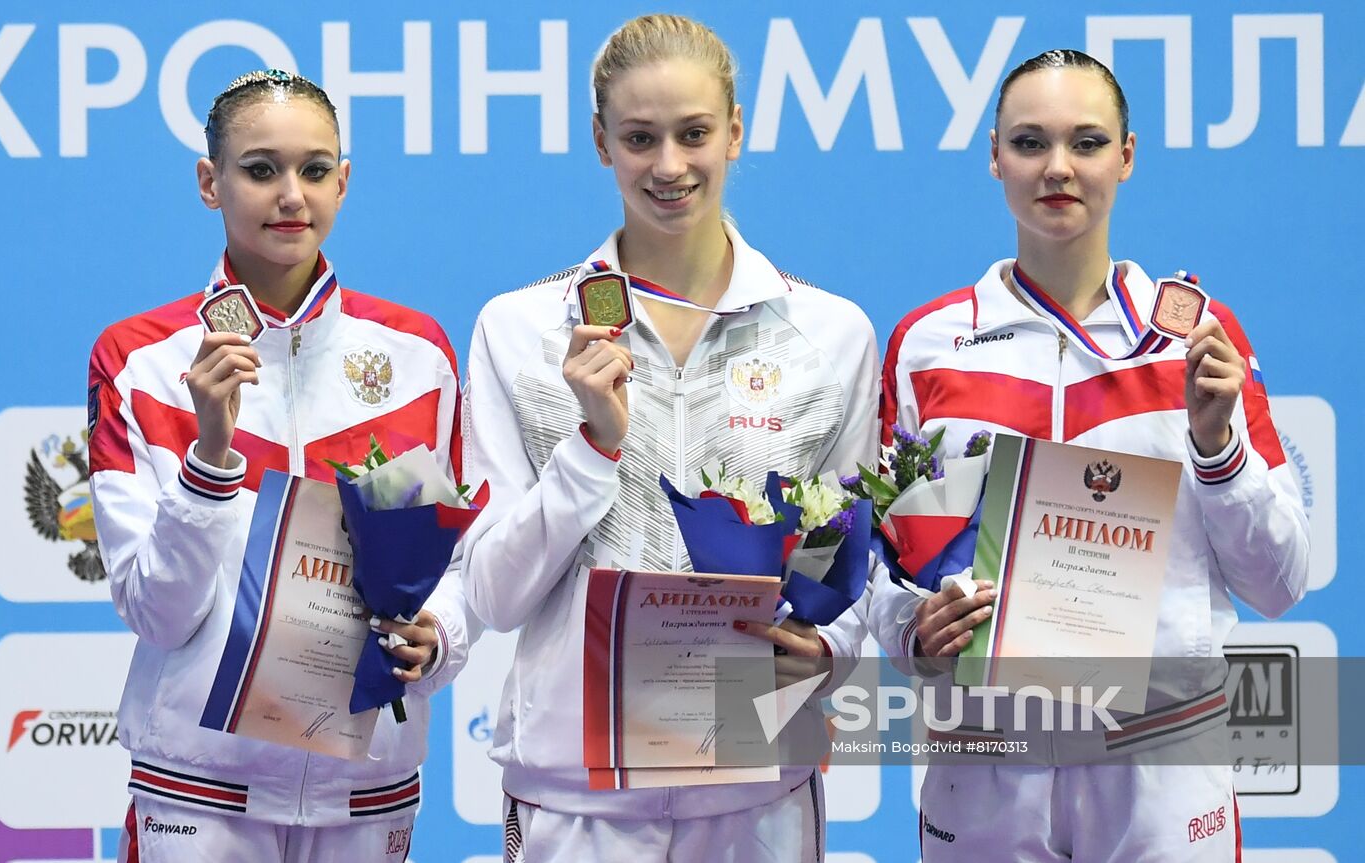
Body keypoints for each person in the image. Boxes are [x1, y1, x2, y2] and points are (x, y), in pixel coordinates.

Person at [868, 49, 1309, 860]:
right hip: (987, 761)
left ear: (1128, 156)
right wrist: (914, 632)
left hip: (1160, 761)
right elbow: (887, 571)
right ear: (994, 156)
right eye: (1030, 142)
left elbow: (1279, 581)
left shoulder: (1199, 340)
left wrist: (1219, 448)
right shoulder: (927, 345)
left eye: (1088, 141)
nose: (1058, 167)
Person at [459, 14, 878, 862]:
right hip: (577, 798)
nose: (669, 166)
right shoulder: (522, 329)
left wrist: (828, 647)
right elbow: (493, 594)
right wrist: (591, 450)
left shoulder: (830, 333)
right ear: (600, 141)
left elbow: (853, 557)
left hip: (757, 783)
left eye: (693, 134)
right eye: (640, 138)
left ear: (735, 131)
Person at [88, 69, 479, 862]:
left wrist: (440, 642)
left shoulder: (416, 356)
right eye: (260, 169)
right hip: (198, 791)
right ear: (210, 182)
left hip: (366, 790)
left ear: (345, 180)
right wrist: (208, 456)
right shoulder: (140, 361)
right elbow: (158, 612)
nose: (291, 194)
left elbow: (459, 566)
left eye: (314, 168)